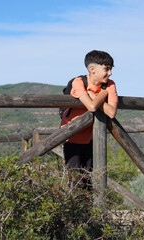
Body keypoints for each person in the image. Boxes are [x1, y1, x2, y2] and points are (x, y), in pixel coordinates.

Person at [61, 50, 118, 190]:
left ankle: (88, 212)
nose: (110, 73)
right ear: (92, 69)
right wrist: (102, 96)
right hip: (70, 137)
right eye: (107, 68)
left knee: (88, 181)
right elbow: (92, 107)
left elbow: (111, 112)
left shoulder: (109, 85)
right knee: (75, 181)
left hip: (92, 139)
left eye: (110, 69)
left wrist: (96, 95)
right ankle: (75, 211)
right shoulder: (79, 82)